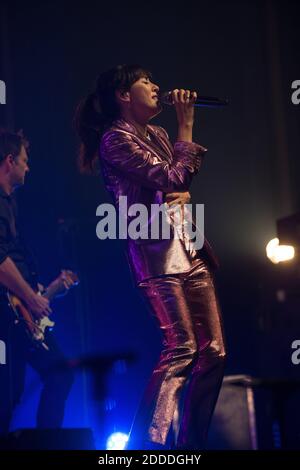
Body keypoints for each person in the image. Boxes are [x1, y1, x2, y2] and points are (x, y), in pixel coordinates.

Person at [75, 64, 226, 450]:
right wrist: (187, 125)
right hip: (155, 252)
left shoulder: (157, 134)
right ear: (125, 95)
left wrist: (182, 189)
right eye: (147, 82)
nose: (158, 86)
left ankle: (191, 445)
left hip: (189, 247)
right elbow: (173, 179)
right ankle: (148, 444)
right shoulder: (114, 140)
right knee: (182, 348)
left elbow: (178, 182)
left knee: (213, 351)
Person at [0, 130, 75, 436]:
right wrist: (30, 298)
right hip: (9, 312)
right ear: (9, 161)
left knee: (12, 391)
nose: (28, 168)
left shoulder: (10, 204)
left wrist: (48, 290)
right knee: (56, 373)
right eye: (24, 161)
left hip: (15, 310)